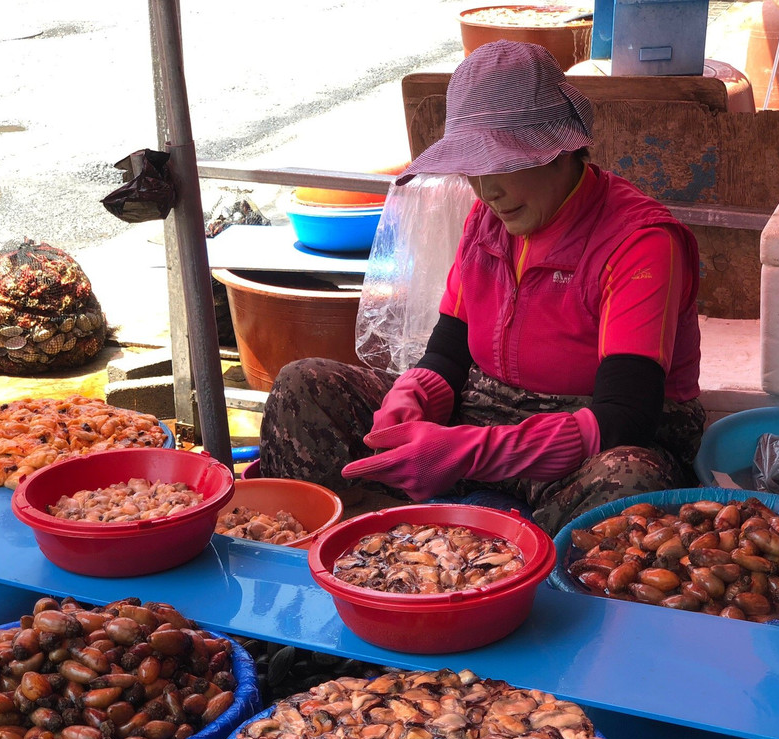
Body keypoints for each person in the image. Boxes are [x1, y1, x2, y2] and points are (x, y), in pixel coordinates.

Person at [258, 39, 705, 537]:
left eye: (503, 166)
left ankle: (503, 564)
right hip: (483, 413)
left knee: (629, 480)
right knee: (305, 386)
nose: (485, 189)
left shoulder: (639, 242)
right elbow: (447, 357)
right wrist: (412, 397)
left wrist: (468, 451)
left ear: (562, 151)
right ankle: (389, 553)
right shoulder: (488, 222)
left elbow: (627, 417)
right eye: (472, 169)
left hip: (587, 437)